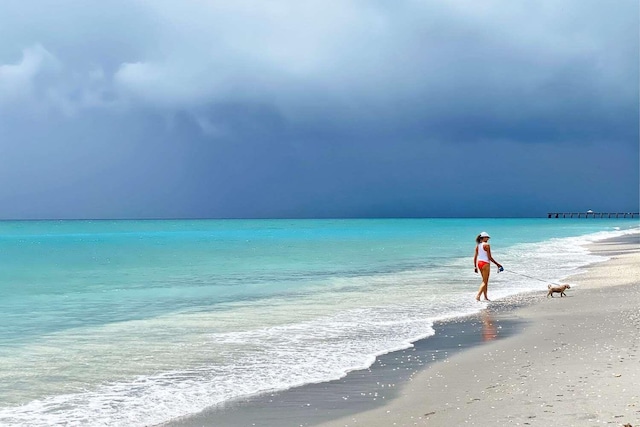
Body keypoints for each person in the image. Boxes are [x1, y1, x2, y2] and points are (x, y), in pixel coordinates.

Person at [473, 231, 502, 301]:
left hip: (479, 263)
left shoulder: (478, 245)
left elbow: (475, 257)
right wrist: (498, 264)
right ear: (483, 238)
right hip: (485, 264)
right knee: (485, 281)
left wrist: (475, 267)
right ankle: (478, 296)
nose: (488, 239)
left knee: (484, 281)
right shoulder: (487, 245)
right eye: (487, 237)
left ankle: (485, 297)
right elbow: (489, 257)